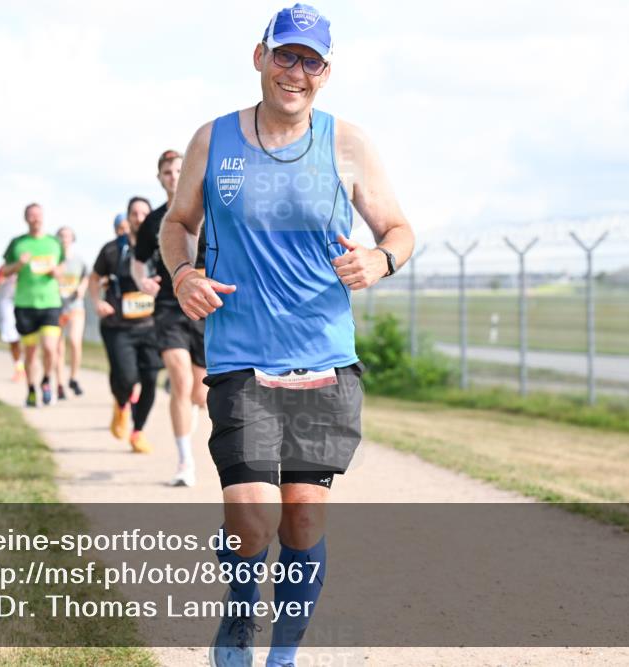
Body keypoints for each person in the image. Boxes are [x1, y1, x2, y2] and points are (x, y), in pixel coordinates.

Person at [160, 5, 415, 665]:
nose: (296, 71)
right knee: (252, 520)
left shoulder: (348, 143)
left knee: (303, 518)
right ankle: (240, 619)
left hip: (324, 358)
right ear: (260, 56)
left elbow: (399, 230)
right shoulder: (213, 140)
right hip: (241, 356)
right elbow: (177, 223)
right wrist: (184, 273)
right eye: (286, 55)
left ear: (325, 73)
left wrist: (380, 259)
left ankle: (283, 655)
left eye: (311, 61)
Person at [134, 149, 207, 487]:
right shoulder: (154, 221)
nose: (174, 177)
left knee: (200, 394)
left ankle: (190, 409)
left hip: (206, 306)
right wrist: (142, 282)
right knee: (180, 381)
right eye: (167, 172)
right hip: (169, 305)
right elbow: (138, 263)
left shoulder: (210, 210)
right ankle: (184, 461)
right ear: (160, 178)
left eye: (179, 170)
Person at [90, 198, 161, 454]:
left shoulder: (160, 247)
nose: (139, 218)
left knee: (150, 379)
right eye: (134, 213)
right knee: (127, 378)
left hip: (151, 325)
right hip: (118, 326)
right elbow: (94, 278)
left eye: (144, 213)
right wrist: (98, 302)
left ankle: (137, 432)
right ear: (128, 217)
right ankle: (121, 404)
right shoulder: (112, 250)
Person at [2, 202, 65, 407]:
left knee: (50, 348)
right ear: (25, 218)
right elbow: (4, 271)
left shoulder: (54, 242)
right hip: (25, 304)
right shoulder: (17, 243)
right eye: (31, 215)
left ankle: (46, 381)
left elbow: (62, 269)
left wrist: (56, 272)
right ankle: (30, 389)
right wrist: (18, 264)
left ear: (43, 217)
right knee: (30, 352)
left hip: (50, 303)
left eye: (38, 215)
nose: (35, 218)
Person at [54, 226, 89, 399]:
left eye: (68, 236)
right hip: (57, 307)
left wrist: (82, 287)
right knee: (58, 348)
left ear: (73, 239)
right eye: (61, 235)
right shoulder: (54, 259)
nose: (64, 238)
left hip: (75, 306)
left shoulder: (79, 260)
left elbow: (87, 277)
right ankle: (59, 384)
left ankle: (73, 378)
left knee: (75, 342)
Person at [0, 264, 26, 382]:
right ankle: (19, 368)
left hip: (26, 302)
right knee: (13, 338)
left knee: (29, 338)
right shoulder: (4, 268)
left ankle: (29, 366)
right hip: (9, 304)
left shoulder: (27, 264)